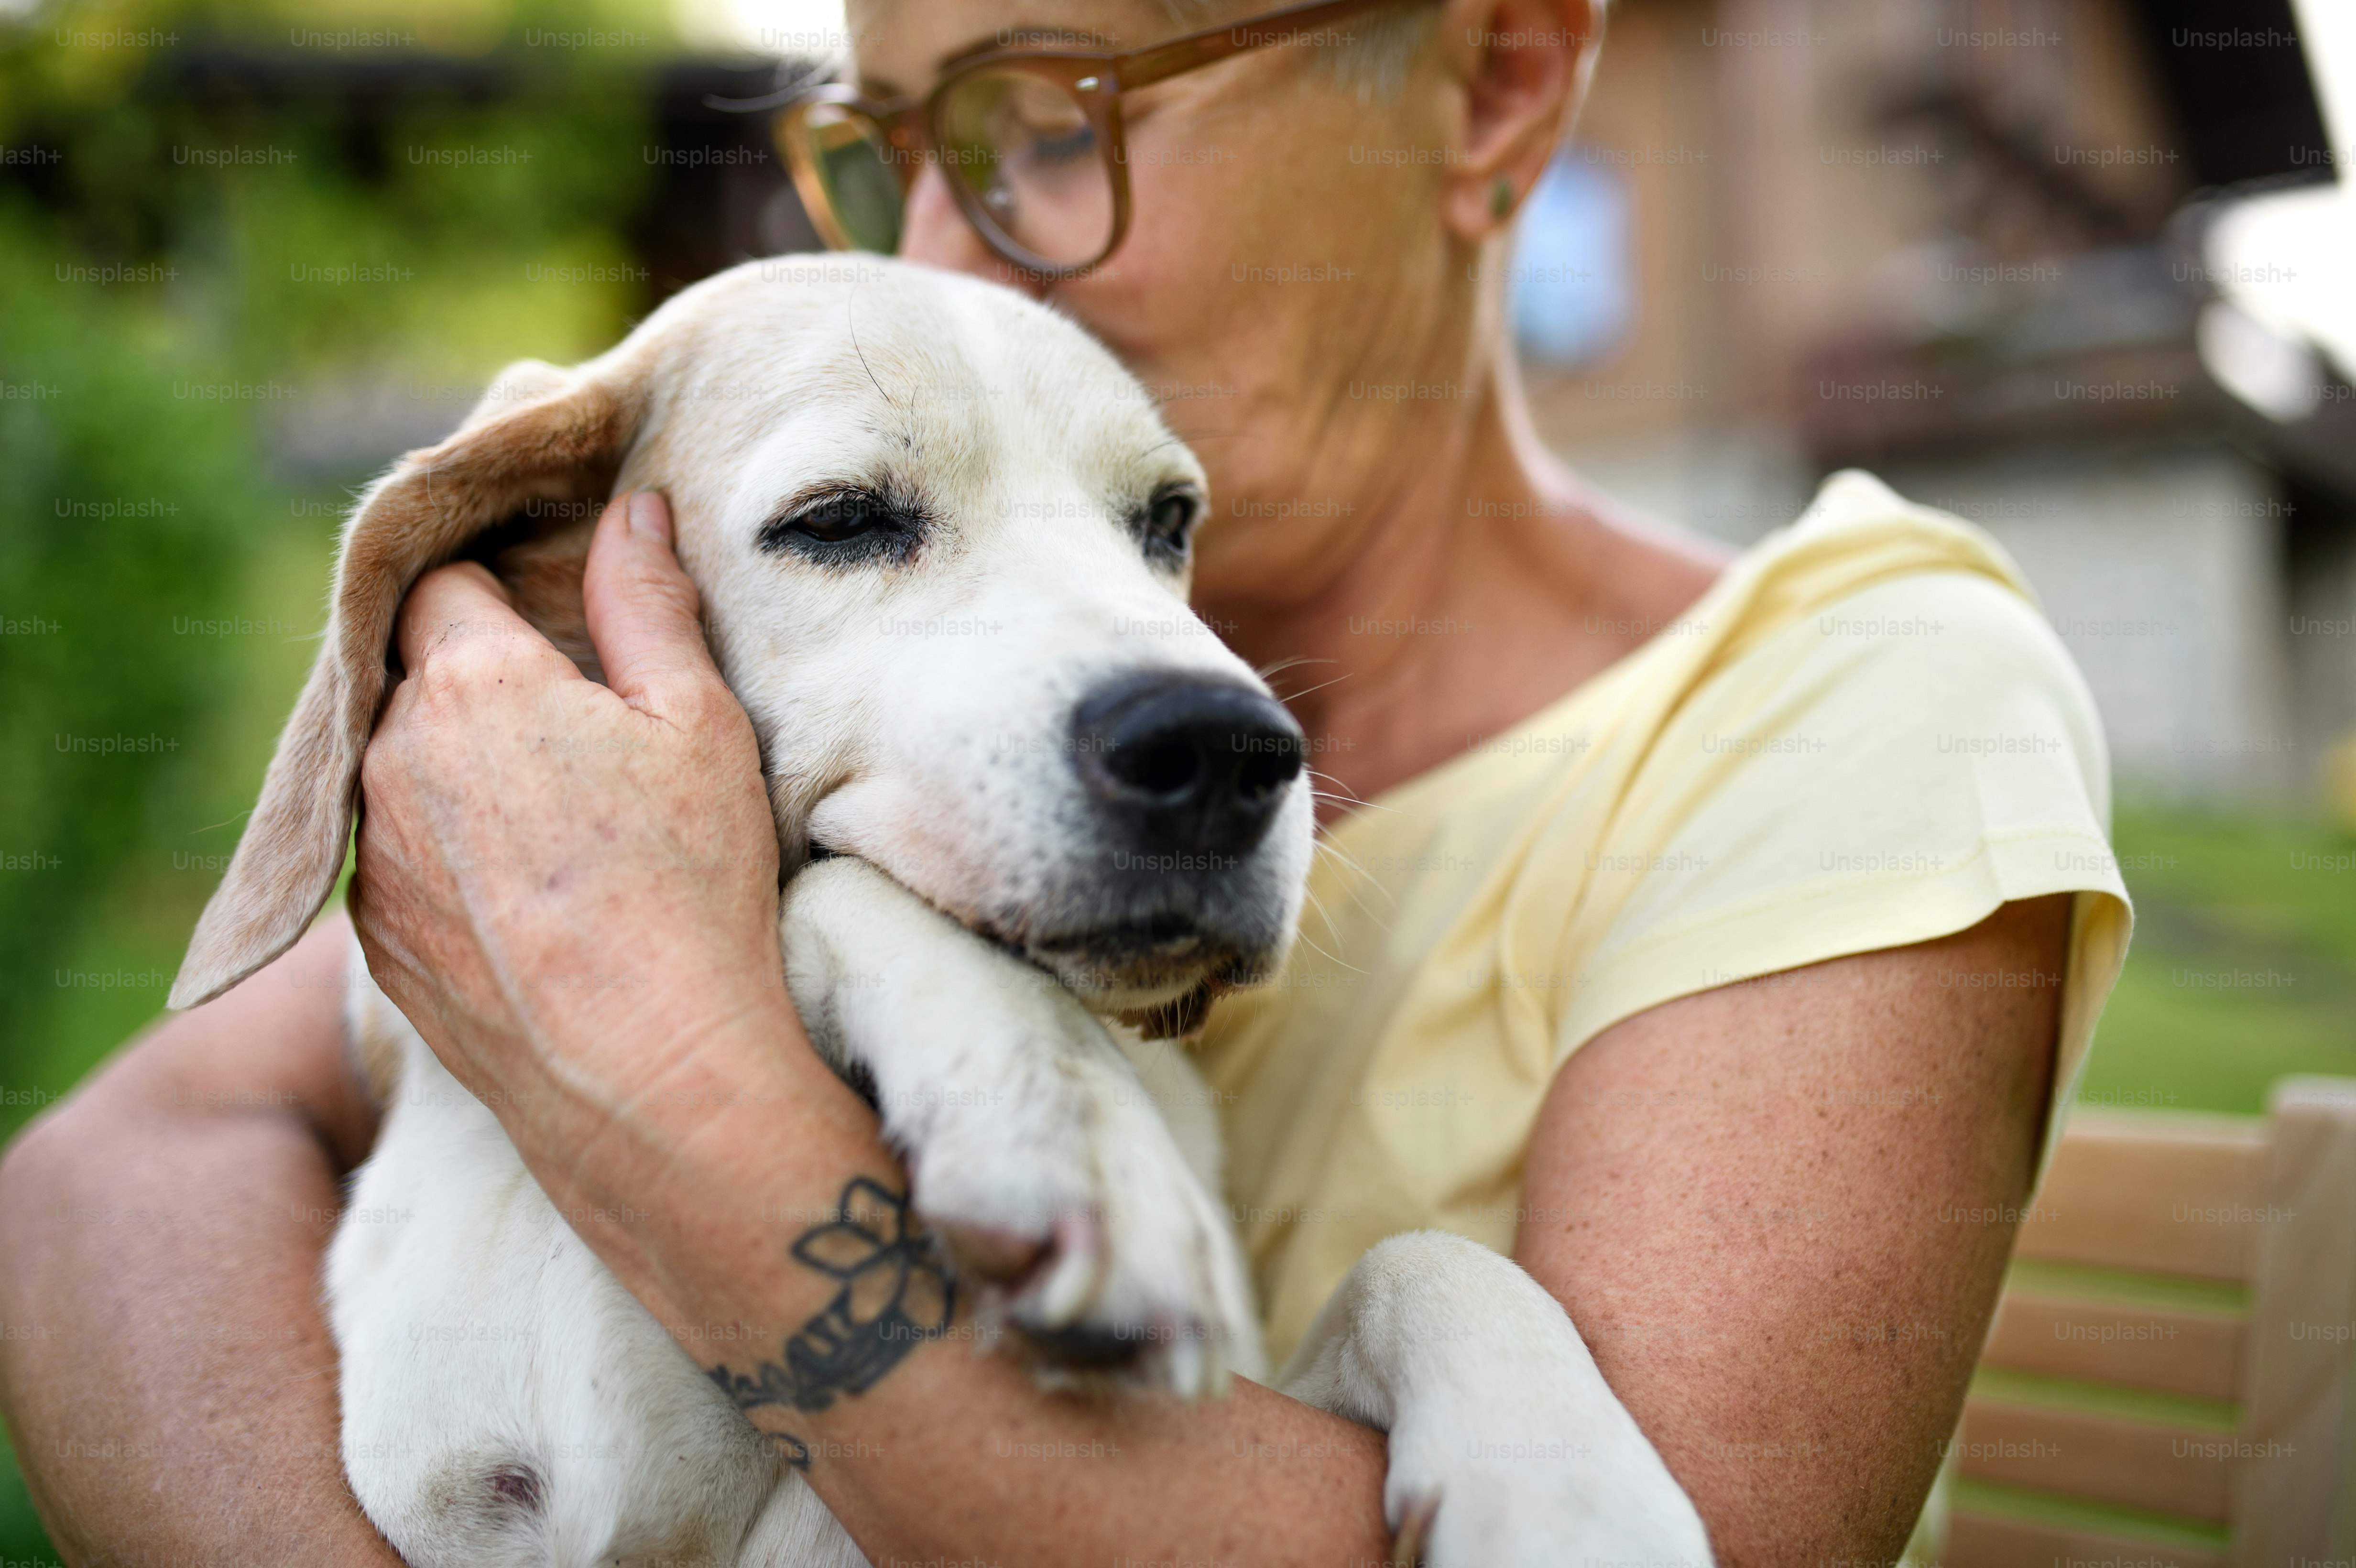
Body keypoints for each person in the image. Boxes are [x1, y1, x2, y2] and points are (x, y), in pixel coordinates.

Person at [0, 0, 2133, 1562]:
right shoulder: (731, 716)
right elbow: (102, 1173)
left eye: (1051, 119)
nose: (939, 253)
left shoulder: (1849, 694)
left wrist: (653, 1048)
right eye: (886, 144)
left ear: (1490, 82)